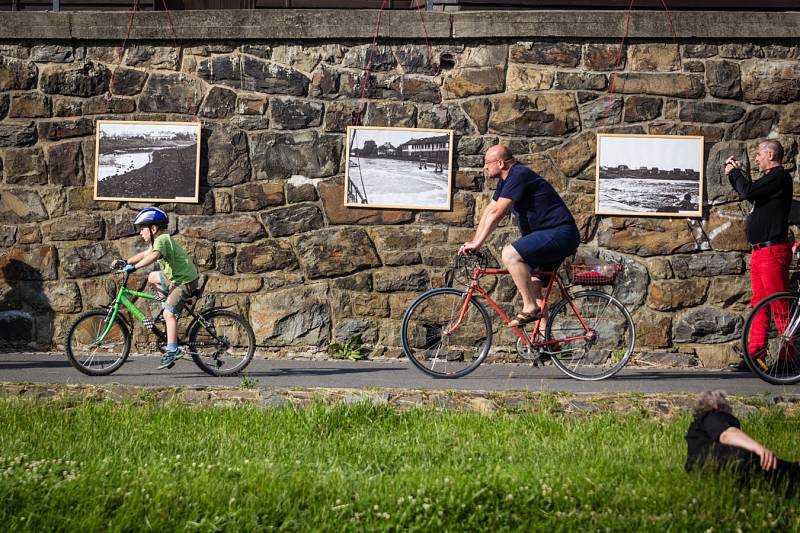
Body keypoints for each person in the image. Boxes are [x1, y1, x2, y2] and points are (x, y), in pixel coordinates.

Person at [460, 144, 580, 327]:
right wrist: (475, 241)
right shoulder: (506, 181)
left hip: (560, 233)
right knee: (533, 286)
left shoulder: (518, 174)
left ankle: (529, 307)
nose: (485, 167)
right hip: (547, 235)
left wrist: (477, 244)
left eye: (487, 163)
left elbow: (498, 212)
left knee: (509, 254)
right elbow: (489, 210)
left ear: (500, 163)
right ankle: (545, 342)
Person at [724, 140, 793, 371]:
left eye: (759, 154)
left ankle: (787, 360)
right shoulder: (769, 180)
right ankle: (756, 358)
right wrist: (738, 174)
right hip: (761, 252)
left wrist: (734, 173)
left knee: (779, 305)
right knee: (759, 306)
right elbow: (752, 192)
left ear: (771, 154)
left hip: (772, 252)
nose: (756, 158)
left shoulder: (780, 176)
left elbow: (749, 191)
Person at [112, 207, 199, 369]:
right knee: (152, 277)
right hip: (175, 278)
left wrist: (135, 268)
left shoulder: (162, 239)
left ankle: (173, 350)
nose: (140, 233)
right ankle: (167, 304)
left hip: (185, 280)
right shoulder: (157, 240)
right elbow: (144, 255)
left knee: (168, 314)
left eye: (142, 229)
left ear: (153, 229)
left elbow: (153, 257)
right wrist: (126, 262)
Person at [685, 390, 799, 496]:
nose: (730, 409)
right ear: (717, 406)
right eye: (728, 405)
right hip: (733, 461)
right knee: (788, 473)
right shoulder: (714, 415)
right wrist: (758, 448)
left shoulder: (696, 431)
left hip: (703, 473)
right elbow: (726, 435)